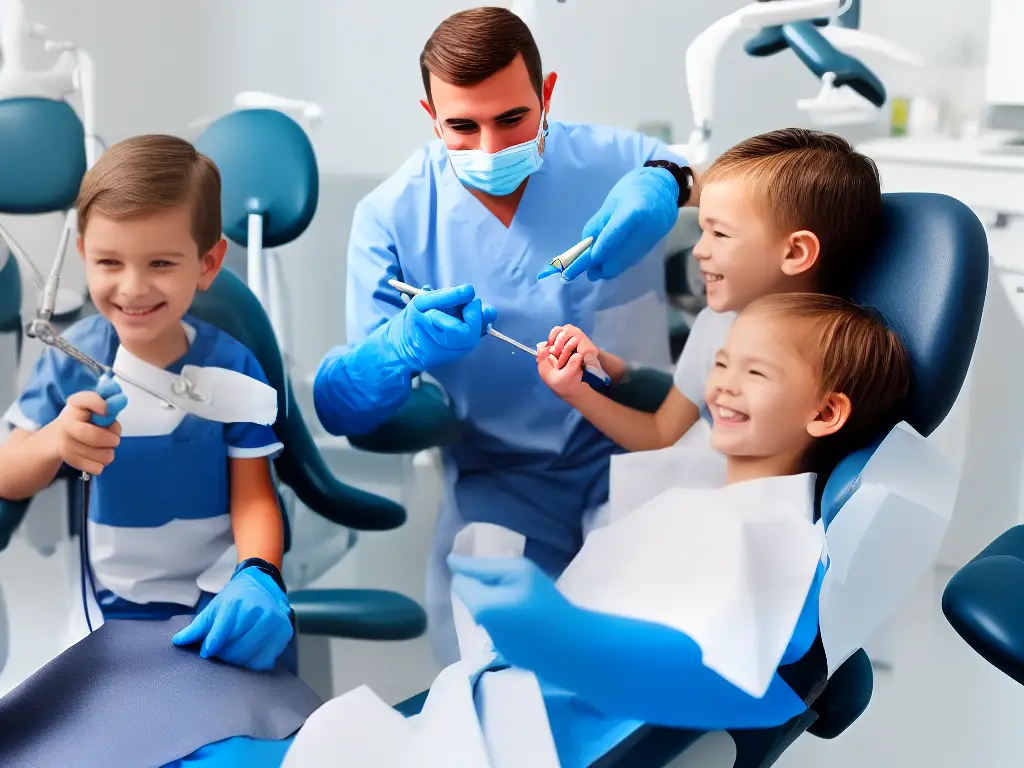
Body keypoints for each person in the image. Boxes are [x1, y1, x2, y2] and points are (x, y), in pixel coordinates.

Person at [269, 292, 913, 768]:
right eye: (721, 363)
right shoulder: (697, 492)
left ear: (826, 412)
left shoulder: (782, 539)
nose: (721, 387)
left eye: (756, 373)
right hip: (497, 709)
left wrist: (562, 635)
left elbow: (740, 681)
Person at [312, 7, 700, 665]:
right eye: (462, 126)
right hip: (501, 478)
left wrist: (668, 182)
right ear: (430, 116)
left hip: (638, 454)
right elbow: (344, 409)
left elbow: (723, 187)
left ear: (546, 94)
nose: (490, 148)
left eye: (512, 119)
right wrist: (397, 349)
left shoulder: (610, 160)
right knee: (496, 662)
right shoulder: (392, 216)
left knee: (656, 645)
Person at [0, 135, 294, 672]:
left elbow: (254, 499)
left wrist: (259, 575)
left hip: (219, 602)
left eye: (161, 262)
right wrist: (54, 441)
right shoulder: (73, 361)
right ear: (84, 253)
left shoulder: (232, 369)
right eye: (110, 261)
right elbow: (7, 475)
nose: (133, 288)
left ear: (207, 263)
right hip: (110, 613)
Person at [536, 128, 884, 459]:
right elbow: (660, 433)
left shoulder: (844, 351)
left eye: (719, 234)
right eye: (703, 230)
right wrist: (582, 382)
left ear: (794, 253)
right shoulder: (715, 325)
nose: (699, 251)